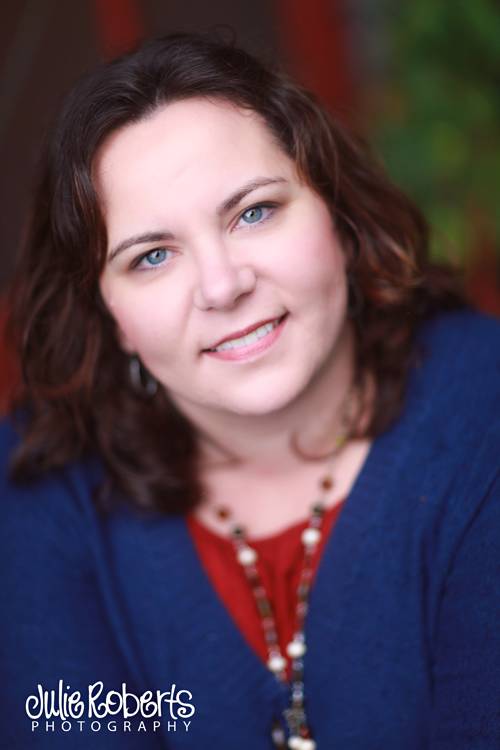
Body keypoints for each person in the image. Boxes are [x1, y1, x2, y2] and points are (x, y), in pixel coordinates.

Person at [1, 30, 499, 750]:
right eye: (152, 256)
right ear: (107, 313)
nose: (223, 286)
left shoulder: (484, 413)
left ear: (335, 211)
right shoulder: (42, 491)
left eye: (254, 212)